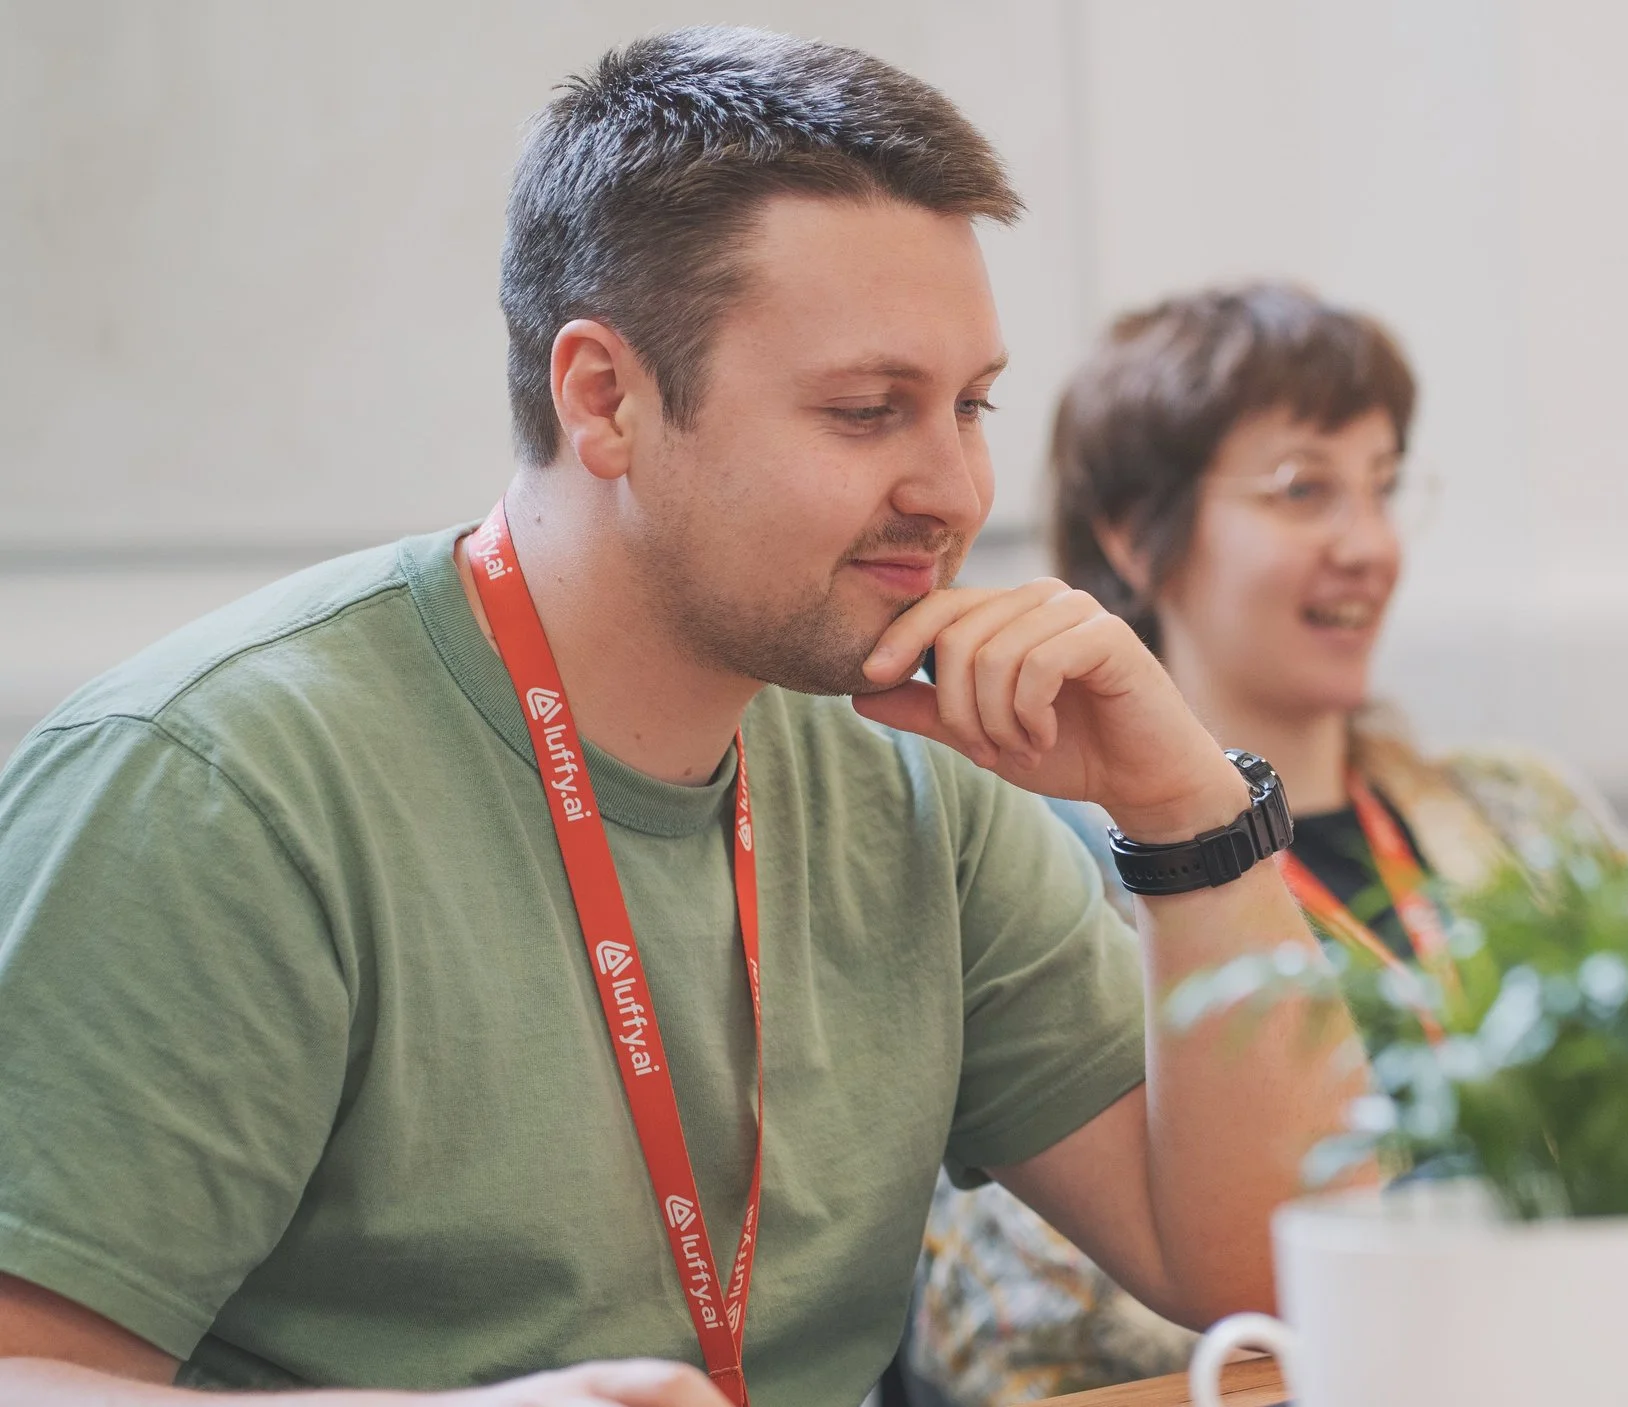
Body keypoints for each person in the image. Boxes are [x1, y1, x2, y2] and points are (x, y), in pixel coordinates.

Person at [0, 32, 1366, 1407]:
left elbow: (1283, 1284)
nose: (955, 485)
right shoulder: (214, 785)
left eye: (970, 405)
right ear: (604, 397)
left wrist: (1189, 809)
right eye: (866, 411)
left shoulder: (912, 769)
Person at [909, 283, 1622, 1405]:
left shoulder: (1522, 810)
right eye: (1304, 492)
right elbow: (1016, 1324)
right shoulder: (1019, 854)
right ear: (1134, 535)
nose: (1369, 545)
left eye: (1383, 489)